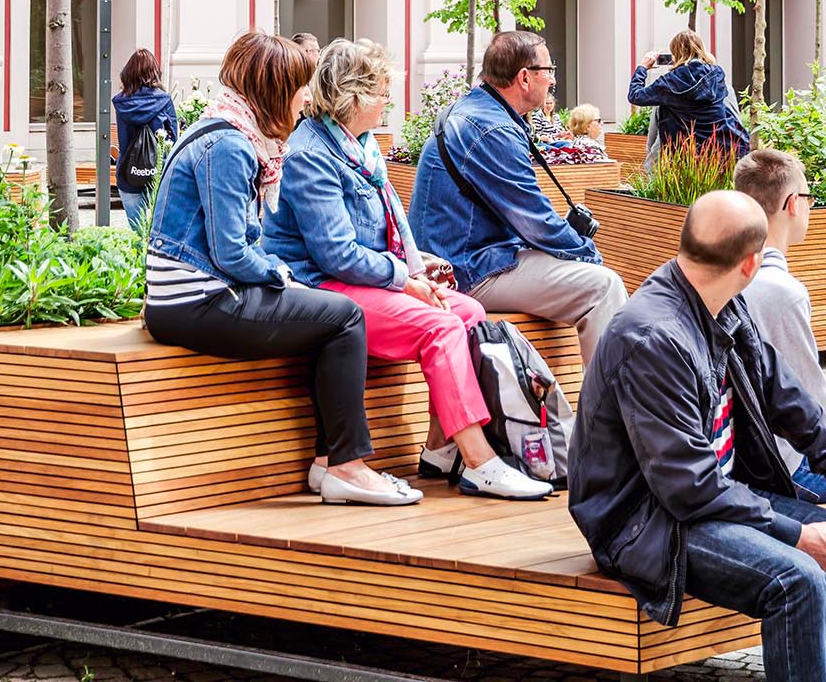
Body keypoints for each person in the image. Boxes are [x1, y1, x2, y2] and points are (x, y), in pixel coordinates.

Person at [268, 39, 552, 502]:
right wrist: (405, 280)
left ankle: (440, 448)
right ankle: (481, 463)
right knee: (440, 327)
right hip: (325, 285)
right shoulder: (311, 155)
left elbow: (391, 220)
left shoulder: (360, 144)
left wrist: (420, 265)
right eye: (381, 91)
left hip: (365, 277)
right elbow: (336, 254)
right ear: (353, 96)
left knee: (469, 312)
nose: (388, 101)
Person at [143, 29, 418, 507]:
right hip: (197, 302)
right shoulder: (230, 145)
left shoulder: (223, 129)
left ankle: (328, 462)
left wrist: (276, 273)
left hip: (186, 298)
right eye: (299, 85)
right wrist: (281, 274)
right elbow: (232, 253)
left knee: (323, 314)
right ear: (275, 88)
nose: (306, 98)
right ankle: (347, 466)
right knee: (344, 317)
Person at [571, 189, 826, 681]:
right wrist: (798, 534)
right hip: (647, 523)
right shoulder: (651, 337)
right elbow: (687, 488)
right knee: (797, 580)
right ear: (751, 263)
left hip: (715, 499)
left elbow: (789, 401)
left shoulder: (721, 304)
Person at [407, 29, 628, 368]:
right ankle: (608, 417)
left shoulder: (477, 111)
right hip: (468, 269)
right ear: (525, 77)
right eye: (549, 70)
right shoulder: (491, 129)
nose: (552, 80)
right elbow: (534, 221)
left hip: (461, 258)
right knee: (603, 286)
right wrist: (589, 255)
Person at [736, 147, 826, 503]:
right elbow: (811, 405)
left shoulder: (730, 274)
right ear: (793, 203)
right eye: (808, 197)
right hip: (786, 467)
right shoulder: (781, 292)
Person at [630, 31, 750, 168]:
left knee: (662, 105)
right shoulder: (716, 75)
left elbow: (635, 95)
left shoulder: (669, 83)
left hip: (686, 156)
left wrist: (643, 67)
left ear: (676, 54)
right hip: (725, 149)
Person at [112, 48, 179, 238]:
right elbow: (174, 138)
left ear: (128, 73)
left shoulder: (120, 102)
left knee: (138, 236)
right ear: (154, 73)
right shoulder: (164, 100)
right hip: (158, 176)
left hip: (128, 175)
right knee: (159, 235)